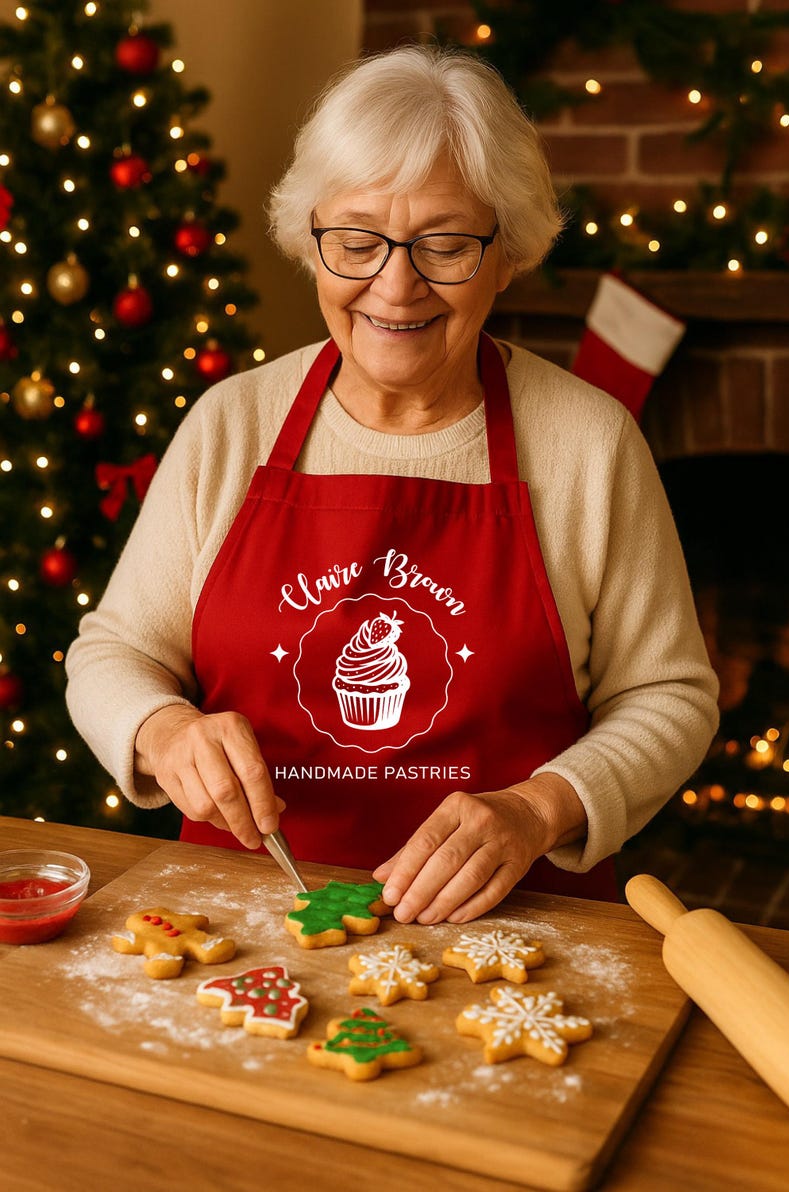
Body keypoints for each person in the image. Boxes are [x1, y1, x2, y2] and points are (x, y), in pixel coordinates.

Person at [65, 45, 719, 926]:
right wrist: (163, 728)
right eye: (358, 240)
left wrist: (541, 807)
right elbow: (111, 654)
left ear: (508, 251)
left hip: (518, 928)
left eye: (445, 244)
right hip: (241, 919)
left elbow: (670, 695)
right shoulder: (232, 423)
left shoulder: (589, 443)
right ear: (313, 240)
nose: (396, 286)